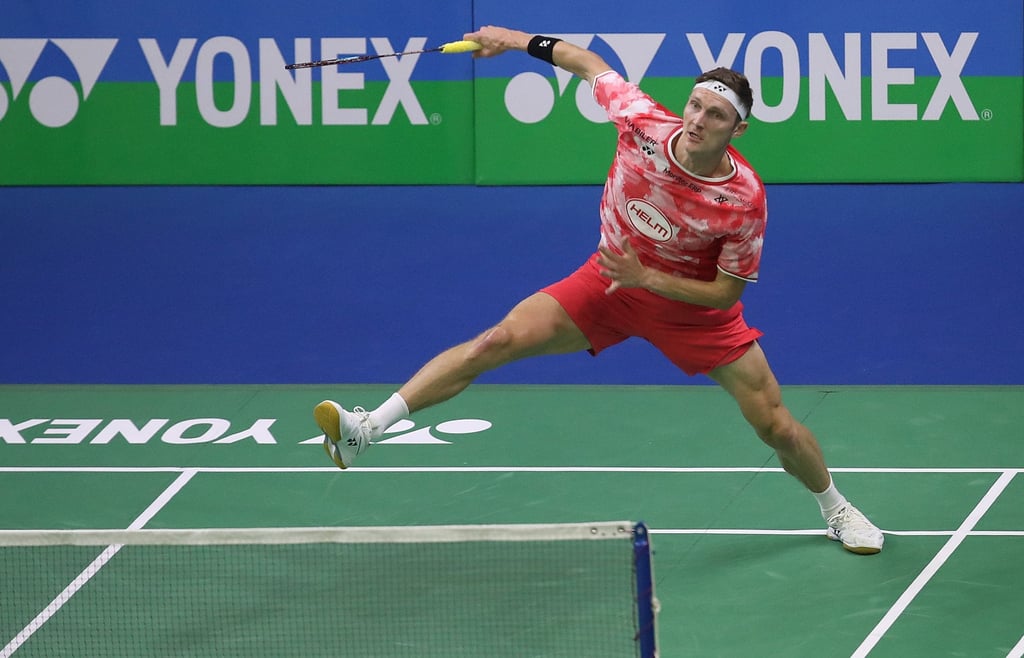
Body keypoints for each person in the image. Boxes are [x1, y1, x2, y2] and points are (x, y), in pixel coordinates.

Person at [313, 25, 884, 555]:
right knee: (496, 341)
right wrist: (506, 40)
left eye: (715, 115)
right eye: (695, 104)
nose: (698, 119)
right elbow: (584, 61)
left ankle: (835, 508)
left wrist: (650, 278)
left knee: (775, 425)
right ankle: (368, 429)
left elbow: (724, 295)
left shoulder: (743, 199)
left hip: (690, 309)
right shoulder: (641, 121)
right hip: (608, 282)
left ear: (737, 129)